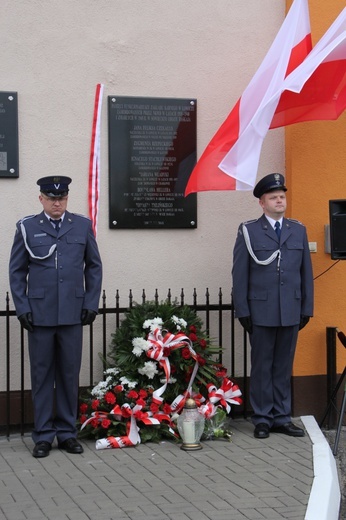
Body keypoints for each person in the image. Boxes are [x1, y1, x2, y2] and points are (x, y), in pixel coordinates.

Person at [9, 176, 103, 457]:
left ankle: (66, 433)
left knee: (68, 375)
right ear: (41, 199)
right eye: (51, 198)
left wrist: (90, 302)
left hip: (72, 314)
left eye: (61, 198)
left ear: (67, 198)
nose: (57, 203)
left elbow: (94, 267)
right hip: (40, 315)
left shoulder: (82, 225)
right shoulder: (27, 227)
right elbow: (17, 271)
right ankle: (42, 435)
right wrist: (23, 307)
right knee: (41, 376)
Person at [232, 173, 313, 439]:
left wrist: (306, 308)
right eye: (273, 197)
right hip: (261, 311)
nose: (280, 201)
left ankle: (282, 417)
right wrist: (242, 309)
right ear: (262, 203)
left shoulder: (297, 229)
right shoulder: (250, 230)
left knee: (283, 365)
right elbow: (240, 273)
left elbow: (305, 273)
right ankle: (262, 418)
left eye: (282, 197)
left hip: (290, 309)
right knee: (262, 365)